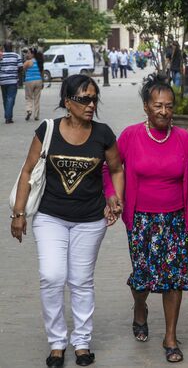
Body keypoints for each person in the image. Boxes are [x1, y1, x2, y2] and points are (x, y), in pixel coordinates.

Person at [11, 74, 124, 368]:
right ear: (67, 102)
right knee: (52, 276)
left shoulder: (103, 134)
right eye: (84, 99)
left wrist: (116, 198)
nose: (91, 104)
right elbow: (27, 171)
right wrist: (18, 214)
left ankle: (82, 342)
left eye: (94, 98)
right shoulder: (47, 130)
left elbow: (116, 168)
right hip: (50, 217)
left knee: (81, 281)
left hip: (90, 220)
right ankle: (57, 342)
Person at [103, 73, 188, 363]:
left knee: (174, 278)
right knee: (143, 279)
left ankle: (171, 337)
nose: (164, 111)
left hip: (174, 219)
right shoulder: (131, 136)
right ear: (146, 107)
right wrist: (113, 196)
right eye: (158, 105)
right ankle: (140, 308)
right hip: (141, 221)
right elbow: (109, 168)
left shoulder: (185, 139)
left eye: (169, 106)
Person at [0, 41, 23, 123]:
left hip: (2, 81)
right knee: (11, 98)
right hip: (12, 81)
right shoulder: (16, 56)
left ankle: (8, 116)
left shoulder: (1, 56)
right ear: (12, 47)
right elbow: (21, 68)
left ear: (4, 47)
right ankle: (8, 117)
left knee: (5, 99)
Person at [23, 48, 43, 121]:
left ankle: (29, 110)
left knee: (29, 97)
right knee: (37, 98)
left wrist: (26, 59)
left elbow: (23, 68)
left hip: (29, 81)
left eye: (28, 53)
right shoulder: (39, 62)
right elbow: (42, 72)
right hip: (39, 81)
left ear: (32, 54)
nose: (27, 54)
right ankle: (36, 115)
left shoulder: (28, 62)